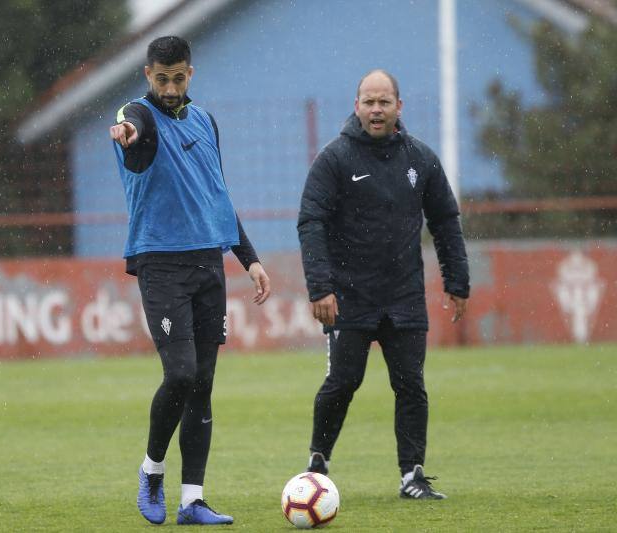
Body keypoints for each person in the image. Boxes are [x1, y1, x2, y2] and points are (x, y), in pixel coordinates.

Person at [109, 36, 271, 525]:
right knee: (179, 373)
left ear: (190, 74)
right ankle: (152, 469)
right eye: (162, 79)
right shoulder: (136, 114)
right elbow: (135, 135)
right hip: (160, 263)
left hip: (207, 264)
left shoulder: (205, 121)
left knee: (201, 384)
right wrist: (128, 135)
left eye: (179, 78)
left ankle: (192, 501)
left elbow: (216, 195)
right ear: (147, 75)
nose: (171, 87)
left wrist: (251, 259)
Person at [297, 69, 469, 500]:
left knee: (411, 385)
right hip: (349, 296)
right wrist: (320, 287)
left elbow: (445, 220)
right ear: (356, 106)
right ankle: (318, 462)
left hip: (404, 295)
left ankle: (412, 474)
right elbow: (310, 221)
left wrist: (457, 279)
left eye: (384, 102)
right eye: (369, 102)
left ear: (398, 107)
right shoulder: (334, 159)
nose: (376, 110)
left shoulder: (422, 159)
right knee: (343, 382)